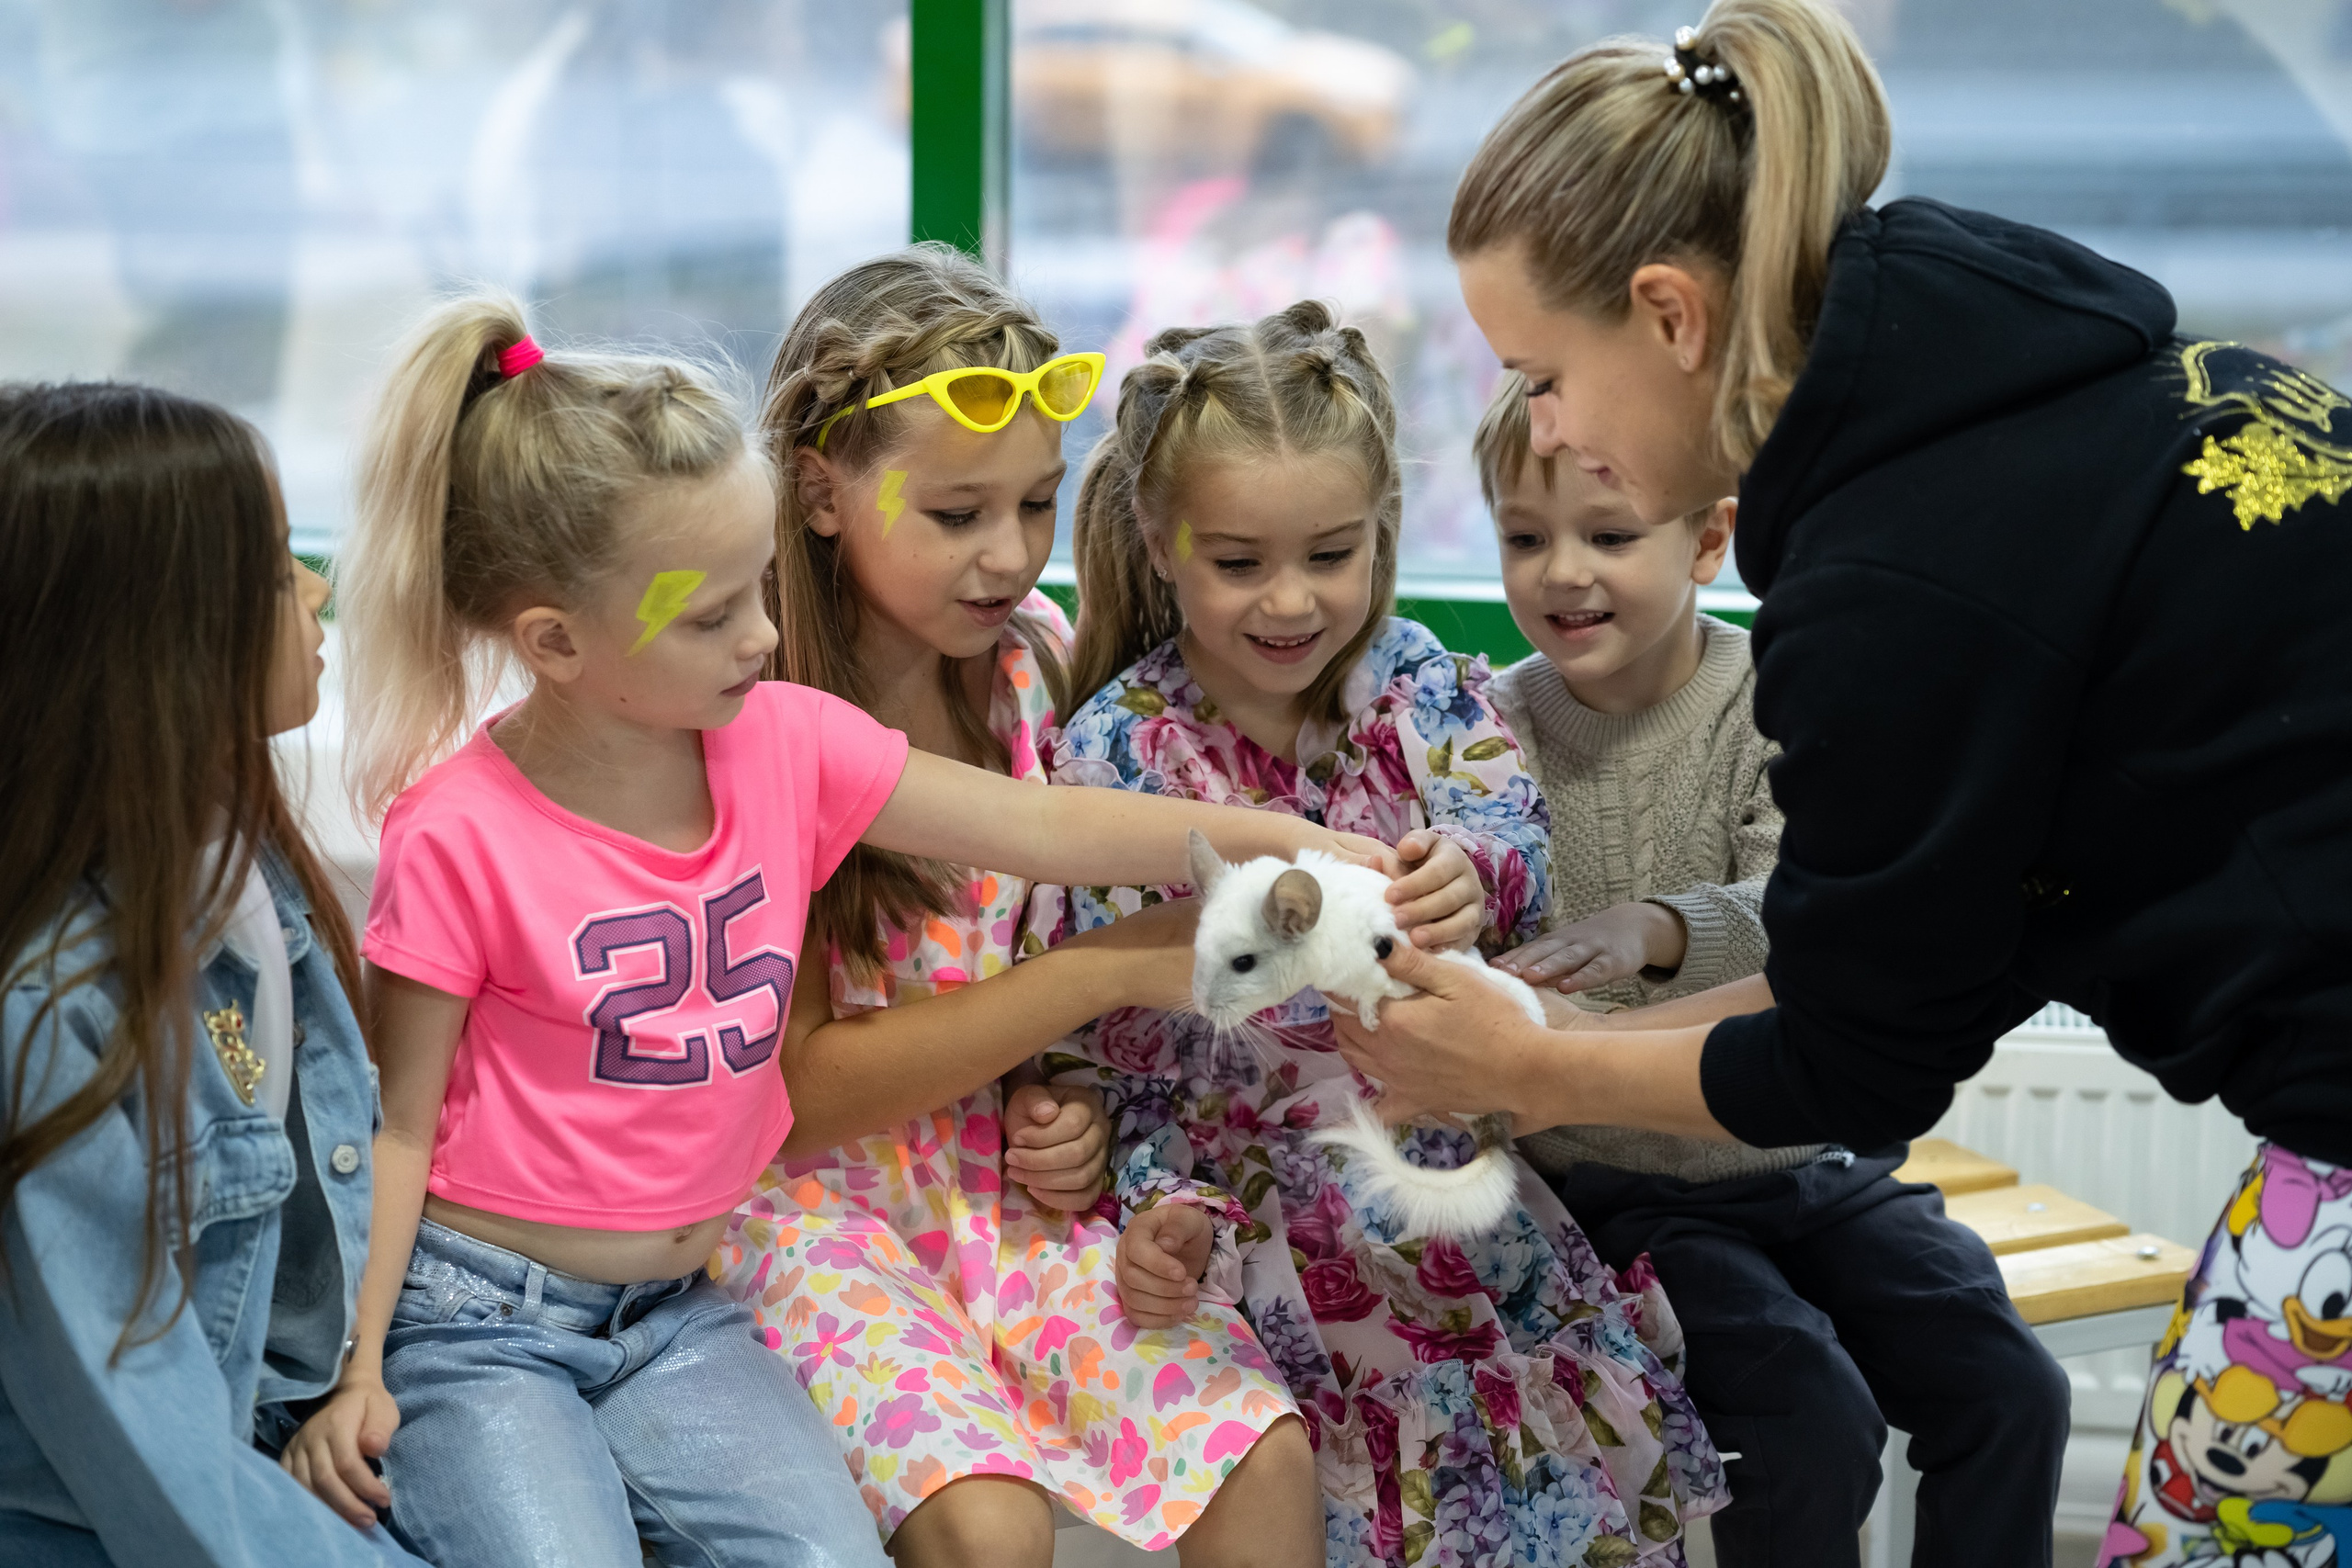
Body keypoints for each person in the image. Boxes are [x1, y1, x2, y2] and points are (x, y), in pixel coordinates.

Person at [1329, 3, 2352, 1566]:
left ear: (1671, 316)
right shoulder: (2005, 372)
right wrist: (1549, 1035)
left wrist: (1530, 1070)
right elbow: (1913, 965)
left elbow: (1856, 1064)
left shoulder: (1900, 581)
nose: (1542, 428)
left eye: (1540, 375)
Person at [280, 292, 1389, 1568]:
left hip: (732, 1292)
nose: (758, 637)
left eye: (755, 594)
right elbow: (395, 1123)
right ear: (557, 641)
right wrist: (353, 1369)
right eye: (709, 616)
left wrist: (1315, 858)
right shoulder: (504, 812)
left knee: (924, 1535)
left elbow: (1062, 836)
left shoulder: (844, 726)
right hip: (562, 1290)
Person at [1040, 302, 1730, 1568]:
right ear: (1157, 541)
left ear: (1384, 536)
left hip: (1459, 1206)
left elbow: (1513, 855)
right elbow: (1110, 1048)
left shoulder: (1426, 691)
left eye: (1332, 553)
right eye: (1240, 563)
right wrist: (1161, 1199)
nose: (1291, 601)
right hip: (1250, 1229)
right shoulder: (1112, 760)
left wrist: (1472, 875)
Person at [713, 245, 1318, 1568]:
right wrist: (1093, 981)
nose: (1008, 554)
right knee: (988, 1531)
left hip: (1014, 1204)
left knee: (1261, 1456)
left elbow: (1056, 931)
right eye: (956, 514)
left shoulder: (1037, 666)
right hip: (818, 1215)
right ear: (819, 492)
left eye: (1038, 503)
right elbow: (799, 1096)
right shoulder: (752, 719)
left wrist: (1071, 1090)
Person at [1473, 373, 2071, 1563]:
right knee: (1811, 1424)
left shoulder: (1780, 697)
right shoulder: (1488, 731)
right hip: (1624, 1189)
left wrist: (1660, 927)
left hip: (1813, 1161)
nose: (1563, 573)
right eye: (1525, 539)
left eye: (1609, 535)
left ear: (1707, 539)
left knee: (2011, 1391)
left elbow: (1809, 916)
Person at [0, 382, 418, 1566]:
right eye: (284, 566)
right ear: (164, 637)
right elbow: (160, 1466)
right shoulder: (47, 1015)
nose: (321, 589)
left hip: (251, 1452)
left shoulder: (229, 868)